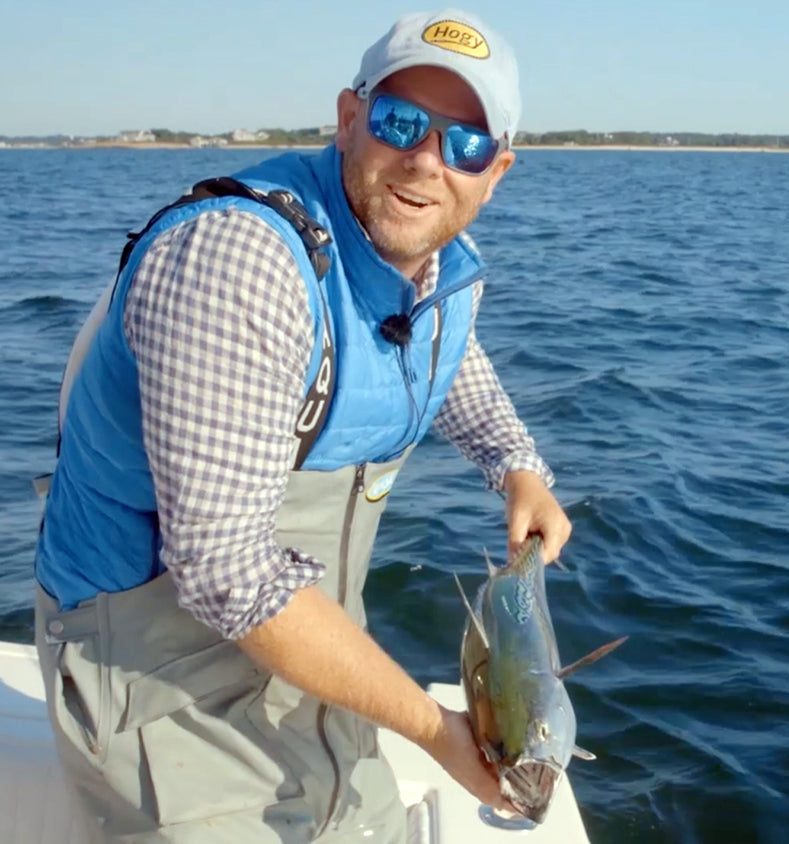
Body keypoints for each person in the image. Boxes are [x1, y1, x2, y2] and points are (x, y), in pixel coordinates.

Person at [32, 8, 570, 843]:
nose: (427, 159)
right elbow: (224, 570)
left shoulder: (428, 263)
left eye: (463, 142)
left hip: (310, 668)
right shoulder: (240, 263)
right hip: (159, 688)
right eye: (401, 121)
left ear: (497, 170)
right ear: (349, 118)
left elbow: (447, 355)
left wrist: (517, 467)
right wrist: (433, 730)